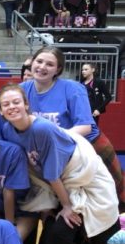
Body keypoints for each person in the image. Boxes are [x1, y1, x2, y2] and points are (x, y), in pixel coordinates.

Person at [0, 84, 118, 244]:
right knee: (50, 236)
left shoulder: (42, 129)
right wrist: (48, 204)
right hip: (57, 187)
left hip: (83, 185)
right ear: (0, 111)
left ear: (26, 104)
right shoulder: (8, 129)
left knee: (60, 234)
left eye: (16, 102)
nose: (12, 107)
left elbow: (53, 174)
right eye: (6, 104)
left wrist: (66, 206)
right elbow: (36, 171)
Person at [22, 47, 124, 204]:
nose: (42, 67)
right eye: (39, 61)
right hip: (55, 153)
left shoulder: (73, 88)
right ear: (32, 63)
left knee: (116, 192)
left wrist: (53, 139)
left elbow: (85, 127)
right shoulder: (22, 91)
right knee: (73, 201)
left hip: (90, 145)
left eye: (49, 64)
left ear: (58, 69)